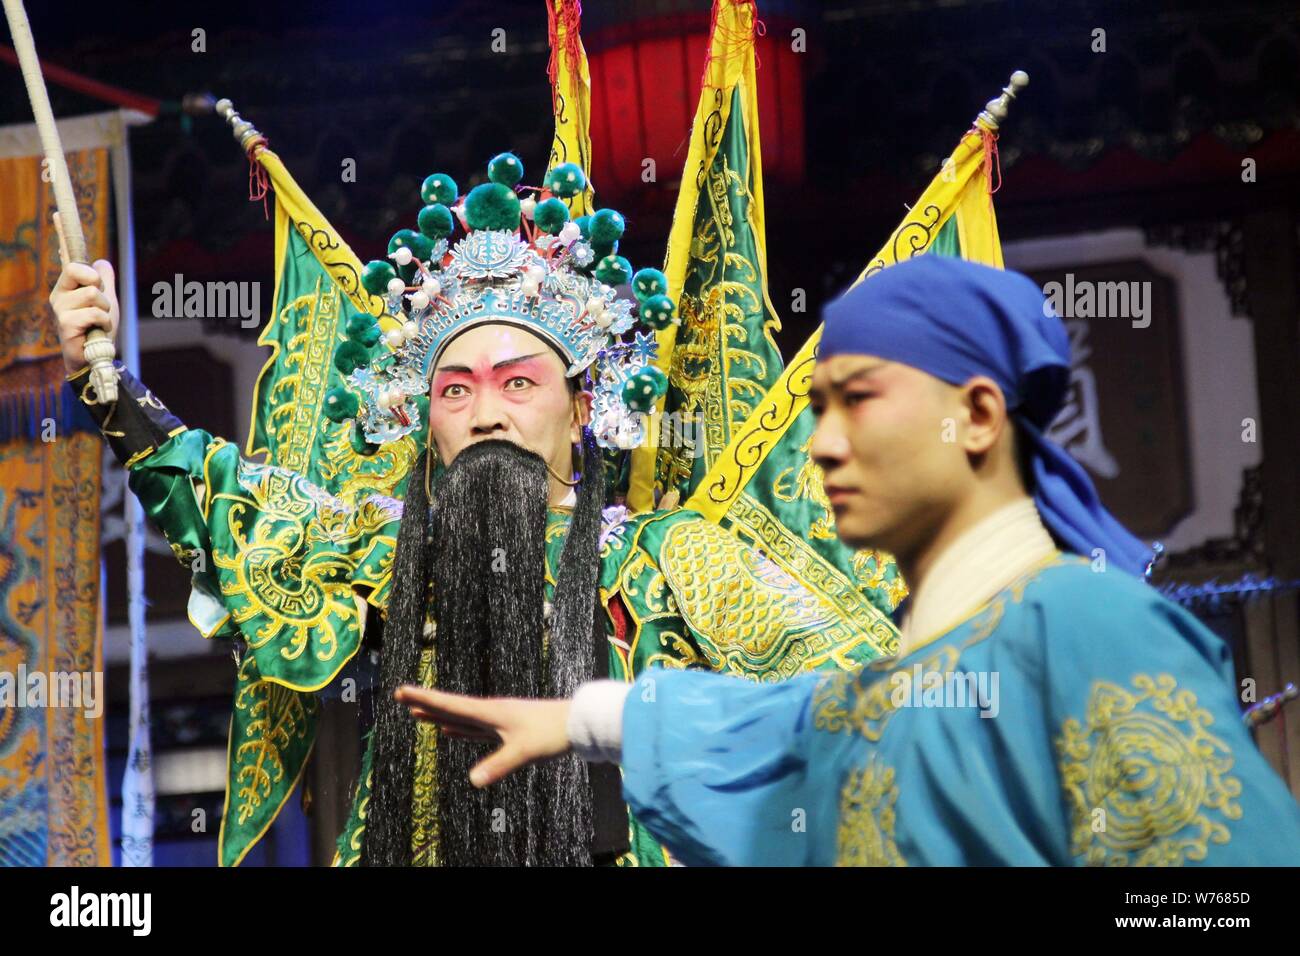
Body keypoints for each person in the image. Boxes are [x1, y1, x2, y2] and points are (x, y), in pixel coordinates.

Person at [49, 156, 901, 867]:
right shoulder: (393, 549)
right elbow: (227, 498)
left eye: (518, 383)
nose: (486, 412)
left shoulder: (675, 556)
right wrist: (102, 377)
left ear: (583, 405)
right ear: (428, 422)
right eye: (454, 390)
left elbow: (864, 702)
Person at [396, 255, 1300, 865]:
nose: (823, 445)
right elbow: (798, 724)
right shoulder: (910, 682)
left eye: (859, 400)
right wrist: (579, 720)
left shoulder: (1086, 625)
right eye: (819, 408)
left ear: (977, 417)